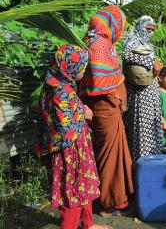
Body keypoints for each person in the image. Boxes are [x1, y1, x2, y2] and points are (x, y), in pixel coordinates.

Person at [34, 44, 110, 229]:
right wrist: (85, 114)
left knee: (83, 183)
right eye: (82, 68)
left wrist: (80, 109)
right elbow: (63, 123)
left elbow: (66, 111)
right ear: (70, 68)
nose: (84, 72)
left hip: (77, 148)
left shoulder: (57, 84)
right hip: (69, 151)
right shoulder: (61, 91)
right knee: (72, 191)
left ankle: (88, 224)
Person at [80, 5, 133, 216]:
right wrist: (119, 99)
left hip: (107, 109)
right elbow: (101, 81)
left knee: (114, 155)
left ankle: (117, 199)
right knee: (109, 158)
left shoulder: (91, 41)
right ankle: (108, 203)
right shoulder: (100, 45)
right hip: (106, 108)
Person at [123, 16, 163, 163]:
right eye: (148, 29)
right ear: (140, 26)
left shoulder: (146, 44)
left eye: (152, 30)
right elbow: (126, 55)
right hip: (139, 95)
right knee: (141, 132)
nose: (150, 32)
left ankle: (153, 163)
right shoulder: (132, 40)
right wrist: (151, 62)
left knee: (152, 130)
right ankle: (141, 166)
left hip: (150, 93)